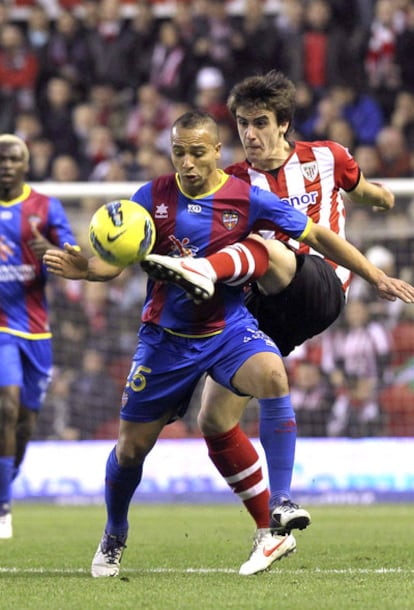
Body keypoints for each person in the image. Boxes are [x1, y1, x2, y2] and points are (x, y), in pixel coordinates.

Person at [44, 111, 414, 578]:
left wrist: (374, 275)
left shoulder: (246, 197)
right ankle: (115, 531)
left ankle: (279, 504)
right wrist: (87, 269)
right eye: (179, 153)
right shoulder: (151, 198)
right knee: (131, 450)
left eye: (198, 152)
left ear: (218, 151)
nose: (189, 163)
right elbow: (114, 263)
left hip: (227, 327)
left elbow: (318, 235)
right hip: (166, 339)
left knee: (273, 374)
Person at [140, 72, 414, 575]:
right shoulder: (236, 182)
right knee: (215, 421)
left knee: (269, 247)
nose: (250, 134)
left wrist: (381, 203)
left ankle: (201, 290)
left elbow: (361, 189)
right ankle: (273, 523)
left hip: (319, 287)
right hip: (266, 306)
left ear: (284, 123)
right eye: (243, 124)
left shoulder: (327, 157)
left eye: (261, 123)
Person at [0, 134, 78, 539]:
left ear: (26, 164)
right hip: (2, 331)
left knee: (26, 421)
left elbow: (70, 259)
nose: (5, 165)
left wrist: (49, 249)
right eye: (0, 159)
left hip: (36, 328)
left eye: (13, 159)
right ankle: (2, 508)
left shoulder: (45, 207)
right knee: (7, 407)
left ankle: (3, 486)